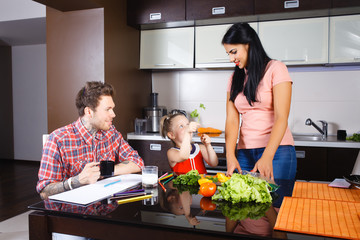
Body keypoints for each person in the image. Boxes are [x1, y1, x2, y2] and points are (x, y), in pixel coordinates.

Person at [36, 81, 144, 200]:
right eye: (108, 109)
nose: (113, 114)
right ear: (89, 112)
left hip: (105, 209)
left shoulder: (111, 133)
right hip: (73, 212)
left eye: (112, 109)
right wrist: (76, 181)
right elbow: (44, 192)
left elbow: (137, 162)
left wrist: (104, 171)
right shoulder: (57, 140)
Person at [222, 22, 296, 180]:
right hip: (244, 153)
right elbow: (232, 121)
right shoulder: (234, 78)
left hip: (276, 151)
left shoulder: (276, 68)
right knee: (242, 203)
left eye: (234, 52)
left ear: (248, 44)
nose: (231, 58)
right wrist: (230, 155)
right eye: (228, 53)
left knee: (276, 204)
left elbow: (281, 117)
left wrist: (268, 156)